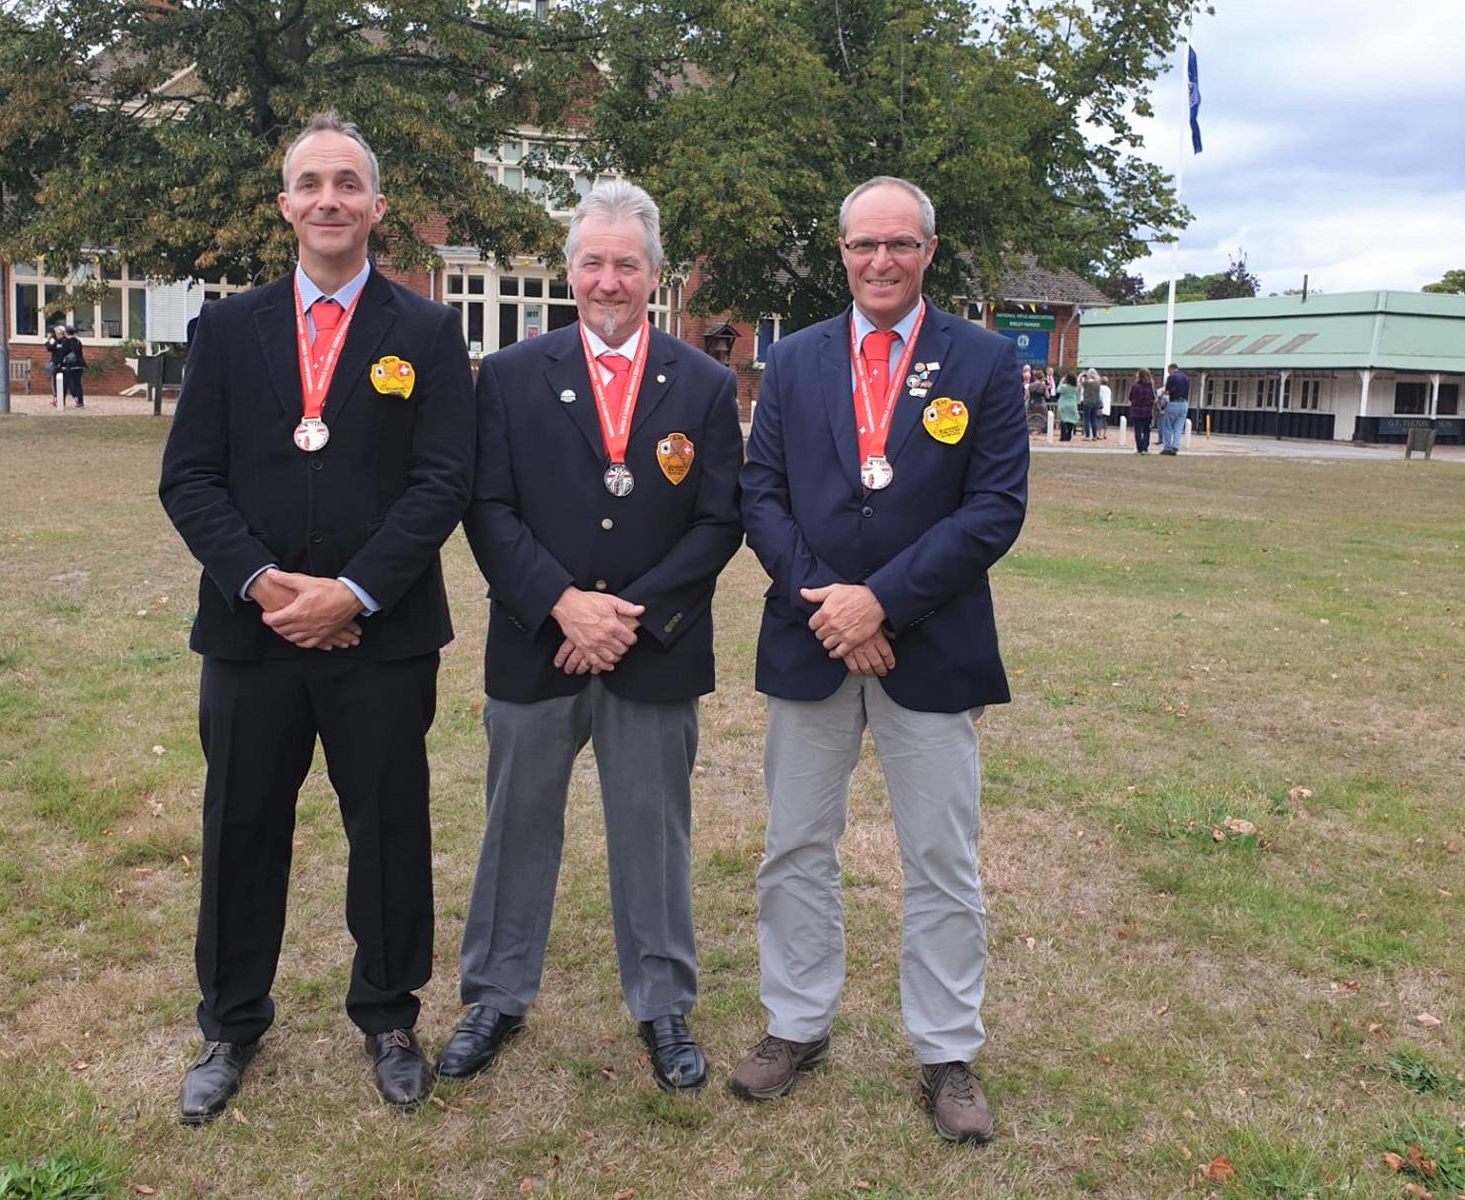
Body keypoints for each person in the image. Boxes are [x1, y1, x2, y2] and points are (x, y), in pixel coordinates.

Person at [158, 112, 475, 1124]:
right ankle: (230, 1024)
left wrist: (352, 594)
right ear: (285, 204)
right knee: (240, 825)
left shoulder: (426, 330)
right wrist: (264, 586)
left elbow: (441, 482)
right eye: (311, 183)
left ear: (378, 207)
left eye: (349, 182)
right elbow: (190, 478)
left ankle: (388, 1015)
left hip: (380, 638)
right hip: (250, 637)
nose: (329, 198)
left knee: (386, 825)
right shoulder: (228, 327)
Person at [735, 176, 1028, 1143]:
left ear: (929, 252)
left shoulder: (984, 362)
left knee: (942, 857)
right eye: (864, 244)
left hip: (929, 644)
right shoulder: (795, 359)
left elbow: (994, 508)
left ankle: (946, 1049)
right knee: (794, 851)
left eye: (900, 244)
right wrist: (831, 603)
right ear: (842, 249)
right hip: (812, 635)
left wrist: (883, 601)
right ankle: (797, 1023)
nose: (880, 261)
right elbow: (760, 496)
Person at [443, 181, 743, 1092]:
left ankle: (662, 1004)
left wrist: (625, 618)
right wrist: (563, 605)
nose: (608, 280)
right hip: (539, 640)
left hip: (653, 647)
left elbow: (719, 520)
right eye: (592, 262)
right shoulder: (508, 374)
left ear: (656, 275)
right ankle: (495, 992)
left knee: (653, 831)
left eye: (627, 264)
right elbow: (485, 507)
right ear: (569, 269)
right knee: (515, 821)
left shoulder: (706, 384)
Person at [1160, 361, 1190, 454]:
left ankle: (1167, 447)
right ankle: (1175, 447)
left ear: (1171, 369)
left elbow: (1167, 391)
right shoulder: (1186, 377)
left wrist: (1162, 393)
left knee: (1168, 426)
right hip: (1184, 403)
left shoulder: (1171, 377)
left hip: (1173, 403)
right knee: (1179, 427)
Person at [1127, 368, 1156, 453]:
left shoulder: (1135, 386)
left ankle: (1139, 448)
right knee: (1146, 430)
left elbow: (1130, 397)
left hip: (1136, 411)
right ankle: (1145, 448)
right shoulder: (1150, 387)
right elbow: (1153, 398)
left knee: (1138, 431)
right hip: (1147, 411)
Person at [59, 323, 87, 407]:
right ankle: (80, 402)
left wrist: (60, 364)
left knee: (64, 384)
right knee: (78, 384)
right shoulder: (78, 341)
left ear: (66, 332)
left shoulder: (65, 342)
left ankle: (61, 402)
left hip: (68, 366)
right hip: (79, 365)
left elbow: (62, 354)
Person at [1056, 372, 1080, 442]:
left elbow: (1058, 390)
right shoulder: (1076, 387)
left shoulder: (1064, 386)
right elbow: (1078, 396)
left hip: (1064, 404)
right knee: (1071, 421)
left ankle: (1063, 436)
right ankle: (1069, 435)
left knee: (1063, 420)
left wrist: (1061, 382)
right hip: (1072, 404)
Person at [1077, 368, 1099, 440]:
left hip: (1087, 402)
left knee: (1086, 419)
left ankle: (1087, 435)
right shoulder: (1097, 383)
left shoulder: (1086, 382)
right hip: (1096, 402)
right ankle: (1095, 435)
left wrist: (1080, 376)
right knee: (1093, 419)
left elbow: (1079, 384)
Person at [1097, 374, 1112, 439]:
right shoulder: (1109, 389)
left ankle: (1099, 434)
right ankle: (1104, 434)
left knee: (1099, 420)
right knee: (1105, 421)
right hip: (1107, 407)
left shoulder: (1100, 388)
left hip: (1101, 406)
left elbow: (1099, 397)